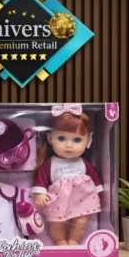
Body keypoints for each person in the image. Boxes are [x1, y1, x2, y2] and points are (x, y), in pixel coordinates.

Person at [32, 104, 103, 246]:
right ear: (50, 138)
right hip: (58, 201)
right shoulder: (50, 164)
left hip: (82, 199)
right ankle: (59, 242)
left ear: (88, 140)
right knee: (55, 222)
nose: (69, 145)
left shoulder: (84, 163)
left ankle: (74, 241)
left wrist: (99, 192)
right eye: (61, 139)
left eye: (77, 140)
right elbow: (41, 180)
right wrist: (40, 194)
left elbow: (94, 178)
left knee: (80, 222)